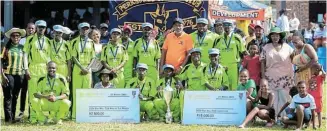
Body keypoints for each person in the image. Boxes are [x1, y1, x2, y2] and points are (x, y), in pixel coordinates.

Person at [260, 27, 294, 118]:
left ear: (280, 36)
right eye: (273, 35)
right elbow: (262, 62)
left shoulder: (287, 47)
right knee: (273, 98)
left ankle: (284, 118)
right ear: (270, 36)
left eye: (277, 35)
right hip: (271, 77)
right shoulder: (266, 47)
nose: (275, 37)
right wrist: (263, 77)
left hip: (285, 77)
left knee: (284, 97)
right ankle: (274, 118)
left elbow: (295, 58)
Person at [23, 20, 52, 123]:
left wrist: (50, 70)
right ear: (36, 28)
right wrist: (26, 69)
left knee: (44, 93)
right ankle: (33, 117)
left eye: (43, 27)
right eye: (39, 27)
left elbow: (49, 57)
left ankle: (42, 116)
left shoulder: (48, 41)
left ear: (45, 29)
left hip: (44, 69)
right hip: (33, 68)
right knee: (33, 93)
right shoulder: (30, 39)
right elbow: (25, 55)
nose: (41, 29)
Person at [70, 22, 95, 119]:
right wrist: (81, 67)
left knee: (87, 91)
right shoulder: (74, 42)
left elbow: (93, 57)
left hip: (88, 69)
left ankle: (85, 114)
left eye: (86, 29)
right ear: (79, 29)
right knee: (76, 91)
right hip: (78, 68)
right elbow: (73, 57)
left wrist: (88, 68)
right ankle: (75, 115)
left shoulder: (91, 42)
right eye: (82, 29)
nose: (84, 31)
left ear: (88, 30)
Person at [1, 28, 27, 123]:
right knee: (8, 96)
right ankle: (8, 118)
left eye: (17, 36)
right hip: (8, 74)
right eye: (13, 36)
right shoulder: (6, 48)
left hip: (19, 75)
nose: (15, 37)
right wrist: (2, 76)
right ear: (10, 37)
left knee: (15, 96)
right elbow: (1, 62)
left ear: (20, 37)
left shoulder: (23, 47)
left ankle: (12, 117)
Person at [213, 19, 247, 91]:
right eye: (225, 25)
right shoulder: (218, 39)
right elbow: (214, 53)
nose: (227, 27)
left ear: (232, 27)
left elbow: (244, 52)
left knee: (233, 86)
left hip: (233, 66)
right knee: (222, 85)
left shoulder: (237, 37)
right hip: (221, 65)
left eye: (229, 25)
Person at [308, 63, 325, 128]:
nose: (310, 71)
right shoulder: (311, 77)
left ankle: (320, 125)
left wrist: (322, 69)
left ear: (317, 70)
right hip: (311, 98)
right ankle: (313, 124)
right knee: (312, 112)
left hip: (318, 98)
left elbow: (324, 74)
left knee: (318, 112)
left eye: (312, 69)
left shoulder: (320, 77)